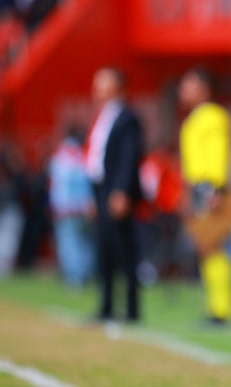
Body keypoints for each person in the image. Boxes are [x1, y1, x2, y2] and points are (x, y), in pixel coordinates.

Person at [178, 66, 231, 325]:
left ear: (204, 88)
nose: (184, 91)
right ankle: (215, 307)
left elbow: (219, 154)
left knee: (213, 247)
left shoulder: (212, 116)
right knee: (206, 249)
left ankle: (221, 309)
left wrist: (215, 188)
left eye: (189, 85)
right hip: (199, 188)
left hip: (210, 189)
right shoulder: (195, 118)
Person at [86, 66, 145, 322]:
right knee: (105, 250)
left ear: (117, 86)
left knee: (124, 249)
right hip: (102, 189)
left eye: (103, 82)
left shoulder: (127, 117)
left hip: (116, 190)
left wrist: (121, 191)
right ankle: (106, 305)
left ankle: (132, 309)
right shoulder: (103, 116)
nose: (96, 88)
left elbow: (129, 157)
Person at [48, 127, 97, 287]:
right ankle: (87, 274)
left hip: (65, 209)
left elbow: (57, 186)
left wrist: (56, 207)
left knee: (69, 244)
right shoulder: (83, 155)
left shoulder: (59, 157)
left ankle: (74, 277)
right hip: (84, 208)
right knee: (85, 243)